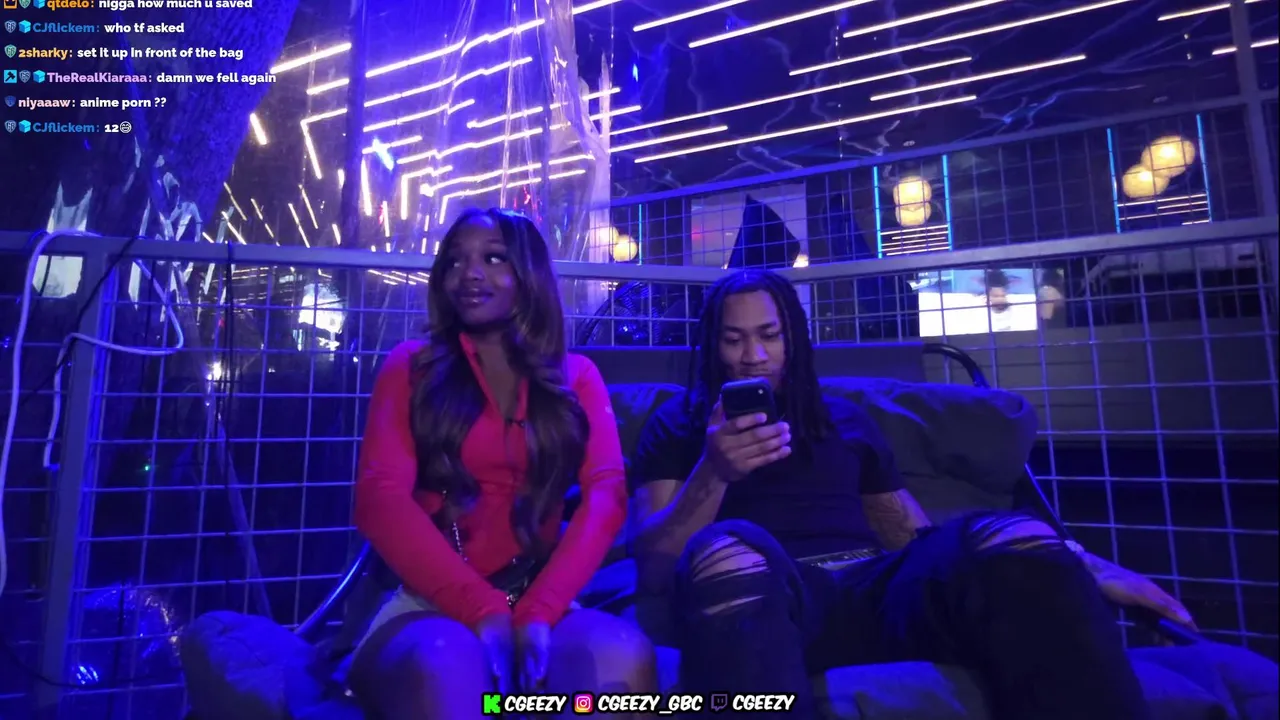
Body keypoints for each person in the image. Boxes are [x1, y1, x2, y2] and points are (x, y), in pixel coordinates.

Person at [629, 268, 1196, 720]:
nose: (753, 355)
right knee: (730, 552)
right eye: (734, 339)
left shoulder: (845, 420)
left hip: (870, 587)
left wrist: (1076, 561)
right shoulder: (679, 425)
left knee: (1014, 533)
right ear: (713, 345)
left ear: (793, 339)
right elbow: (654, 568)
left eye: (769, 336)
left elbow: (916, 538)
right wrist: (714, 472)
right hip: (771, 593)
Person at [351, 208, 655, 719]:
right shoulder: (412, 365)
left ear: (528, 273)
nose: (469, 273)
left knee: (621, 656)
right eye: (455, 261)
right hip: (427, 602)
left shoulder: (576, 376)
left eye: (493, 258)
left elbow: (606, 495)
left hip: (540, 601)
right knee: (445, 664)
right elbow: (379, 499)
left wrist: (538, 612)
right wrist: (482, 610)